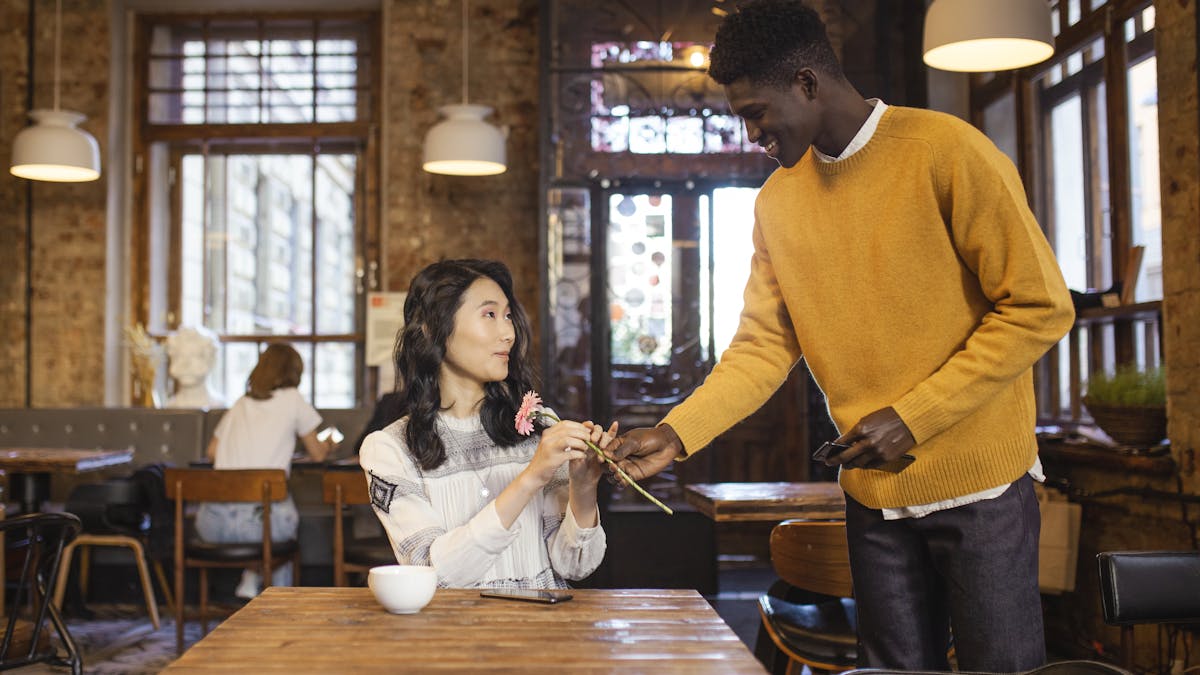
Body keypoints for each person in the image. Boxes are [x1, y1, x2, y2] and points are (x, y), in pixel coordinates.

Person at [608, 1, 1075, 671]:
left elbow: (1039, 307)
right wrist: (676, 431)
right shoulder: (776, 202)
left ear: (807, 82)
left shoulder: (947, 151)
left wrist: (912, 418)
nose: (750, 134)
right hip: (872, 496)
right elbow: (763, 347)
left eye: (755, 112)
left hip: (983, 490)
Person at [359, 259, 611, 589]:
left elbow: (575, 566)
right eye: (489, 314)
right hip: (460, 624)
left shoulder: (537, 426)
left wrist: (584, 486)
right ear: (432, 329)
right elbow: (436, 575)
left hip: (545, 621)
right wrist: (531, 477)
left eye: (507, 316)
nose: (508, 333)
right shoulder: (390, 450)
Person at [197, 342, 336, 599]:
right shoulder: (293, 399)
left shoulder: (241, 403)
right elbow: (317, 454)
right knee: (283, 518)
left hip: (212, 523)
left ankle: (253, 575)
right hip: (260, 525)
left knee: (271, 513)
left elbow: (212, 452)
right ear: (294, 372)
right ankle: (279, 602)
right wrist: (328, 445)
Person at [164, 325, 223, 410]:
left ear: (211, 360)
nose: (186, 363)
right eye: (180, 356)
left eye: (194, 355)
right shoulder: (170, 406)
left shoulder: (220, 406)